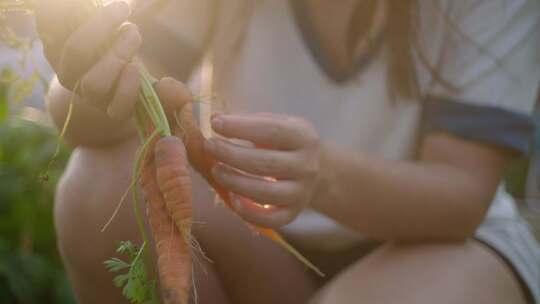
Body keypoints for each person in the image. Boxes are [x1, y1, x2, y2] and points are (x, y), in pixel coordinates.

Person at [36, 0, 540, 303]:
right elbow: (97, 110)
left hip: (436, 244)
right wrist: (87, 75)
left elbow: (462, 194)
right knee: (97, 188)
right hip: (263, 239)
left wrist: (323, 178)